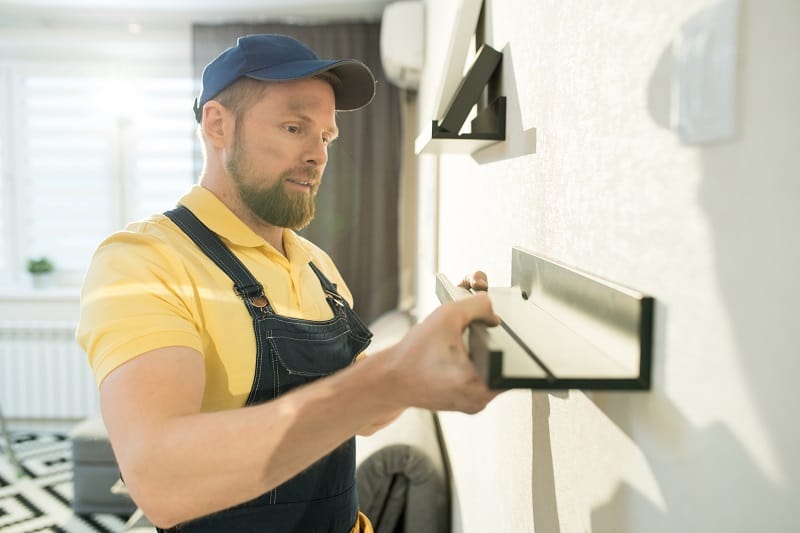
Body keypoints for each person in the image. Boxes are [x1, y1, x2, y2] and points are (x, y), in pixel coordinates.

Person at [76, 34, 499, 533]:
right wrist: (391, 377)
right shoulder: (142, 261)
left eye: (325, 137)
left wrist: (436, 349)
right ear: (217, 125)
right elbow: (161, 483)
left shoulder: (317, 265)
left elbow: (361, 416)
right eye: (294, 127)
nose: (317, 155)